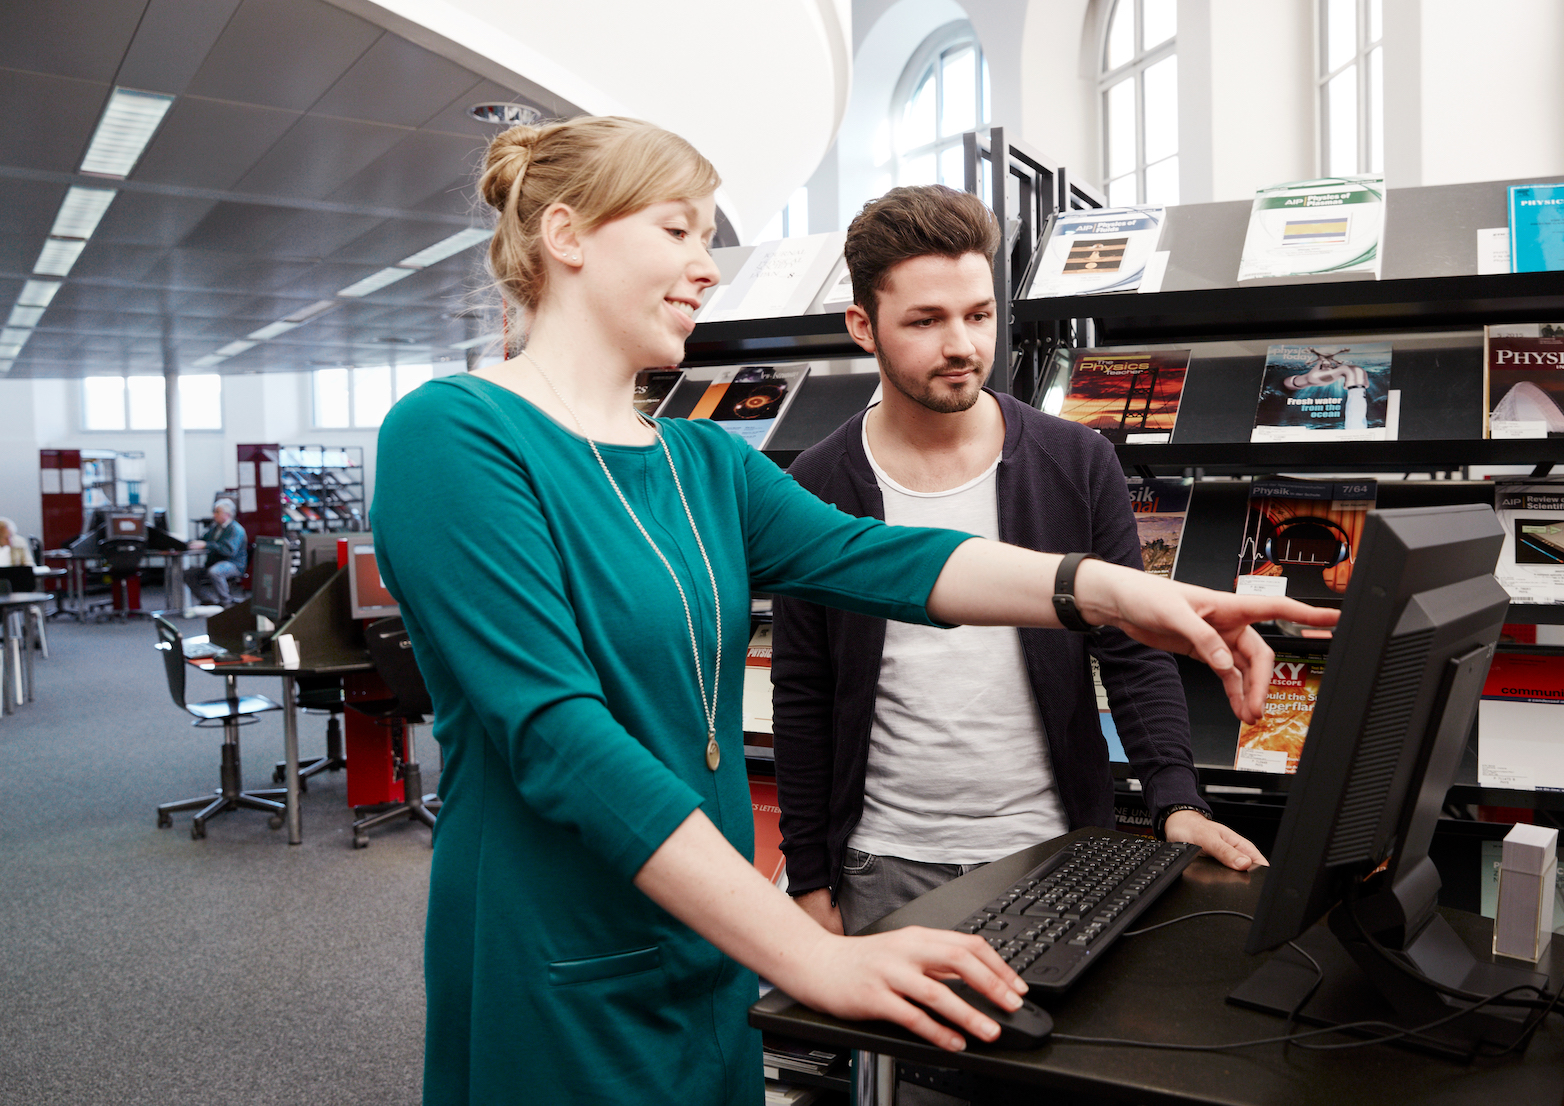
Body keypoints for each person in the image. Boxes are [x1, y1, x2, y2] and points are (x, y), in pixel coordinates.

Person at [368, 116, 1336, 1106]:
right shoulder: (452, 435)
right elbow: (556, 734)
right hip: (559, 946)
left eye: (708, 239)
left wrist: (1119, 592)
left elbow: (880, 555)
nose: (708, 268)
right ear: (567, 236)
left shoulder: (705, 463)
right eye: (679, 231)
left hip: (707, 936)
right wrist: (808, 947)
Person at [773, 185, 1266, 947]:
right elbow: (804, 689)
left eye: (977, 314)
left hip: (1053, 848)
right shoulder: (815, 482)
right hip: (885, 861)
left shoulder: (1076, 460)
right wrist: (807, 878)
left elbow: (1130, 648)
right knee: (900, 1070)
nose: (962, 345)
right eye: (926, 321)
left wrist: (1177, 800)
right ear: (862, 328)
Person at [185, 498, 246, 607]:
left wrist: (206, 545)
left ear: (227, 514)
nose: (214, 515)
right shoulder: (214, 528)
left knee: (215, 572)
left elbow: (228, 550)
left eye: (217, 512)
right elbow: (204, 540)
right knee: (188, 573)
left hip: (233, 564)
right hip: (214, 563)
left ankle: (226, 602)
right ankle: (207, 600)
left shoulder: (235, 530)